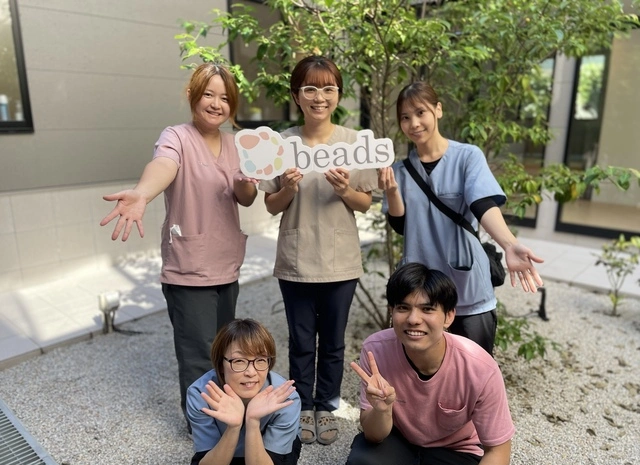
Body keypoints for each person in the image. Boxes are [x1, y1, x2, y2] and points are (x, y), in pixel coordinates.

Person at [100, 63, 258, 430]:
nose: (216, 104)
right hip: (189, 269)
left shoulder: (236, 144)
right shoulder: (176, 136)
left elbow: (246, 197)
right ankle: (202, 429)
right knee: (197, 356)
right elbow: (164, 165)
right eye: (208, 94)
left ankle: (226, 417)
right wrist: (142, 193)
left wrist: (246, 182)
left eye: (225, 98)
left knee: (226, 352)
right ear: (192, 95)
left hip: (226, 264)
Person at [259, 55, 377, 445]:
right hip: (296, 260)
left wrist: (345, 190)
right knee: (300, 341)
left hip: (341, 261)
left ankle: (326, 405)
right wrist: (289, 188)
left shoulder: (354, 143)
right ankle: (301, 405)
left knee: (334, 342)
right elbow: (270, 205)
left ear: (338, 94)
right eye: (309, 89)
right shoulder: (280, 144)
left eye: (328, 88)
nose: (319, 97)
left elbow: (365, 203)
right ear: (296, 95)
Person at [378, 81, 544, 355]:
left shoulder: (467, 157)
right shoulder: (399, 170)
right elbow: (400, 225)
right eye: (405, 117)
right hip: (420, 289)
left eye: (420, 112)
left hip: (467, 285)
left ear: (438, 110)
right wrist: (393, 191)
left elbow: (482, 204)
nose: (414, 123)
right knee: (423, 368)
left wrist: (509, 244)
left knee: (473, 365)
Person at [347, 262, 515, 465]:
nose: (413, 319)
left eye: (427, 309)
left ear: (449, 316)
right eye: (403, 308)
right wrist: (382, 410)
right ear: (392, 312)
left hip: (456, 451)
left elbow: (498, 450)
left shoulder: (479, 368)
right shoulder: (376, 351)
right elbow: (374, 435)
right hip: (398, 440)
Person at [184, 318, 302, 465]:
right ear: (220, 364)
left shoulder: (286, 397)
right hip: (223, 447)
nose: (251, 372)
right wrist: (233, 427)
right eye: (239, 361)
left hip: (268, 452)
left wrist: (252, 421)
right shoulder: (200, 394)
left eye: (260, 360)